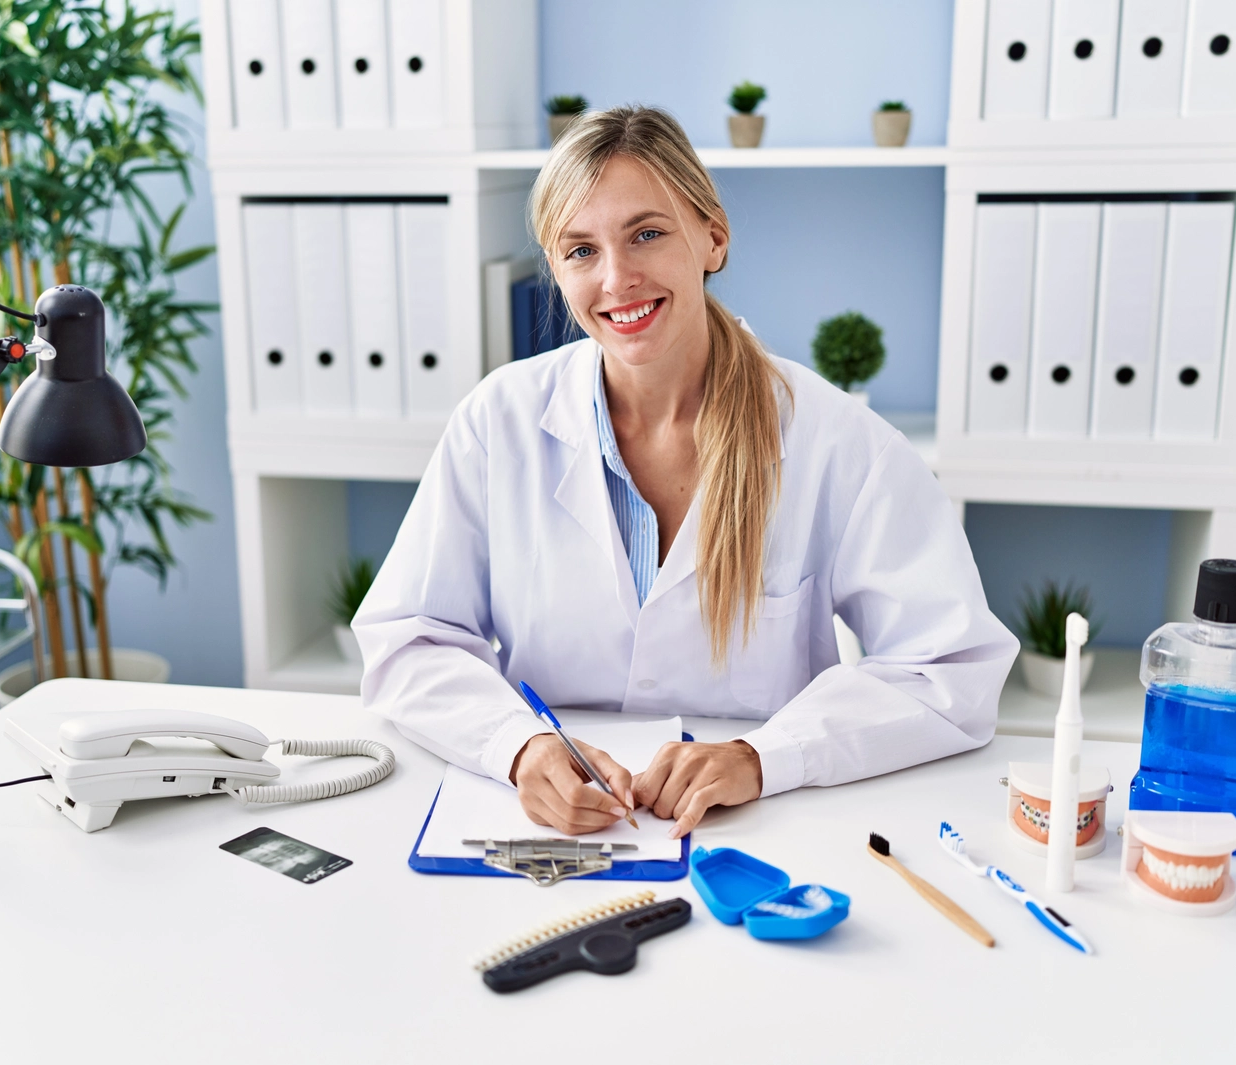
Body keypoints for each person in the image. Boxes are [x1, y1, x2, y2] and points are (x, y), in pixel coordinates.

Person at [354, 105, 1017, 840]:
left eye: (646, 233)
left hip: (752, 835)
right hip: (556, 838)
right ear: (556, 270)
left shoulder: (839, 441)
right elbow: (407, 639)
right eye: (580, 251)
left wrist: (766, 757)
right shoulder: (497, 423)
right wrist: (517, 745)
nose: (617, 279)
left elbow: (951, 671)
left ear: (712, 236)